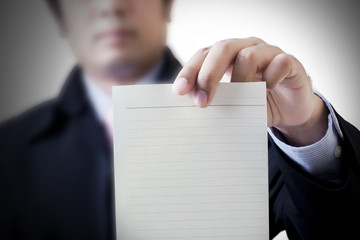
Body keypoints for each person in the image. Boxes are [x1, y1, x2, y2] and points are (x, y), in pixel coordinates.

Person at [0, 0, 359, 239]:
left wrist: (306, 131)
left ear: (166, 5)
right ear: (59, 14)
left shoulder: (261, 122)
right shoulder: (8, 150)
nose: (110, 6)